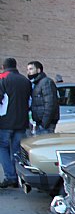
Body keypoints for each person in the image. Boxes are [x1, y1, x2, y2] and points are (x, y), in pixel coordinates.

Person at [0, 58, 32, 188]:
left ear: (3, 67)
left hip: (5, 122)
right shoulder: (25, 80)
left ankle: (10, 177)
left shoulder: (3, 78)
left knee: (2, 148)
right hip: (21, 122)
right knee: (16, 150)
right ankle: (19, 177)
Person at [26, 61, 60, 135]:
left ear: (38, 70)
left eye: (31, 69)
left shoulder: (46, 82)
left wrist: (44, 124)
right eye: (27, 69)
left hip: (46, 124)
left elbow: (50, 104)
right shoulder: (37, 83)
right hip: (40, 123)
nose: (28, 72)